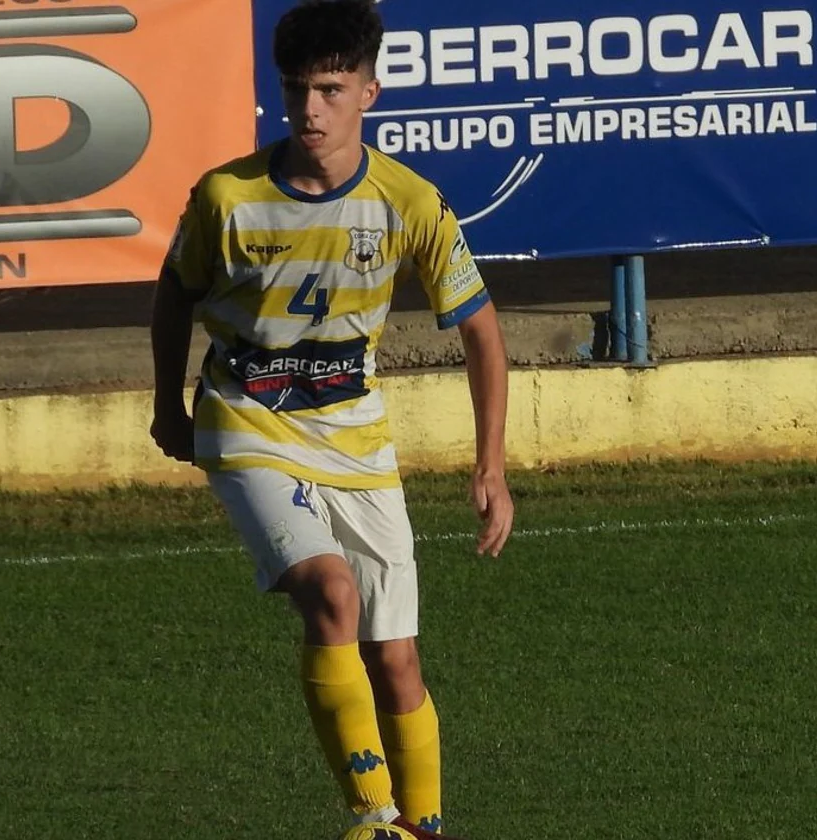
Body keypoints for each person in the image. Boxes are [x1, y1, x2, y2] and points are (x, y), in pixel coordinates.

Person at [148, 1, 514, 836]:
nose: (308, 110)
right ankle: (371, 814)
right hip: (246, 422)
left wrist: (490, 466)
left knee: (397, 660)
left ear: (369, 93)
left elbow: (484, 336)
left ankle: (423, 829)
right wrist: (170, 402)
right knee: (331, 593)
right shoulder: (227, 197)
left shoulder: (409, 201)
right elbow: (175, 293)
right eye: (294, 91)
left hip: (355, 434)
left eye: (329, 89)